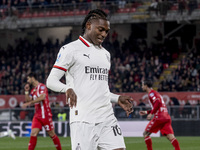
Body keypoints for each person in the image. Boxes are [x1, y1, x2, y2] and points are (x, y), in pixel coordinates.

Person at [46, 9, 133, 150]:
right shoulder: (70, 49)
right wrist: (67, 88)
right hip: (83, 119)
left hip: (106, 117)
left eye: (106, 31)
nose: (104, 34)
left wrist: (117, 99)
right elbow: (51, 81)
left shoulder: (106, 54)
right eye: (100, 29)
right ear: (88, 26)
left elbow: (99, 89)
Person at [22, 73, 62, 150]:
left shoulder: (42, 86)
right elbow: (28, 100)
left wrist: (30, 103)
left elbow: (42, 97)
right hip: (37, 115)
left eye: (28, 79)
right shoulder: (33, 90)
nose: (27, 81)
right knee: (33, 133)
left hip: (45, 115)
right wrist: (26, 91)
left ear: (32, 78)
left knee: (52, 134)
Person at [139, 79, 180, 150]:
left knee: (145, 134)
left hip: (159, 117)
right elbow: (157, 106)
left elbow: (157, 103)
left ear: (146, 86)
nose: (142, 86)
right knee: (171, 137)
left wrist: (151, 114)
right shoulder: (156, 93)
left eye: (142, 85)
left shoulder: (151, 93)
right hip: (166, 117)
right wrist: (146, 112)